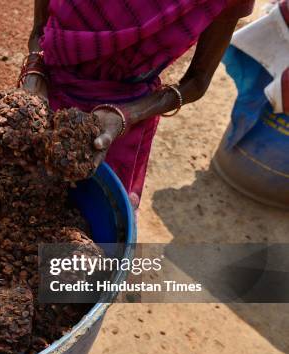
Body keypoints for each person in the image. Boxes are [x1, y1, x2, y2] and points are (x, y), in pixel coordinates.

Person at [18, 0, 255, 208]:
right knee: (14, 190)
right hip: (45, 90)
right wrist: (35, 69)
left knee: (96, 223)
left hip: (120, 121)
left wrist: (128, 115)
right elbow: (40, 27)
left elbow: (197, 80)